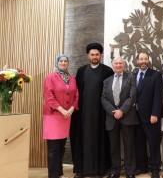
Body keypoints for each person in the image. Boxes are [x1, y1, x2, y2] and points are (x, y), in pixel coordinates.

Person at [70, 43, 114, 178]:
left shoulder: (107, 71)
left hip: (101, 113)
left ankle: (100, 169)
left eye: (97, 55)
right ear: (88, 55)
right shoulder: (81, 71)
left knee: (100, 140)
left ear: (100, 55)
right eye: (92, 54)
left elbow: (110, 93)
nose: (95, 57)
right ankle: (81, 170)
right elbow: (76, 92)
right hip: (83, 113)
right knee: (83, 139)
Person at [101, 57, 139, 178]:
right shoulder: (107, 81)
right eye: (116, 63)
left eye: (120, 63)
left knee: (129, 145)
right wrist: (114, 112)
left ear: (124, 65)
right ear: (113, 65)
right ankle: (115, 170)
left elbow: (132, 96)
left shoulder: (131, 78)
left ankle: (130, 171)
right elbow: (103, 98)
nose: (118, 65)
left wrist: (121, 111)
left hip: (127, 116)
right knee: (114, 146)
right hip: (111, 117)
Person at [43, 54, 79, 178]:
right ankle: (53, 175)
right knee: (53, 148)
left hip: (66, 116)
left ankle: (59, 173)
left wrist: (71, 109)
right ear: (57, 62)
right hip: (53, 116)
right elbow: (49, 96)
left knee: (61, 146)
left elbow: (76, 96)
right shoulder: (50, 77)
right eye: (61, 61)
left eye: (65, 61)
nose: (63, 63)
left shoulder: (71, 78)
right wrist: (62, 110)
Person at [134, 51, 163, 178]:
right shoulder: (133, 75)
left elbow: (158, 96)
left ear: (148, 60)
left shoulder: (156, 75)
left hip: (151, 117)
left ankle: (155, 168)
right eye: (141, 59)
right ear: (137, 61)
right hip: (135, 117)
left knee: (153, 143)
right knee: (139, 143)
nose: (143, 61)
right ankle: (142, 167)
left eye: (145, 59)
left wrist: (155, 113)